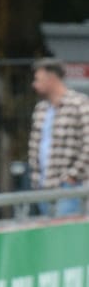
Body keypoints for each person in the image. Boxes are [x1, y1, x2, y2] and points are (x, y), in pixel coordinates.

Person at [28, 58, 89, 217]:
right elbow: (35, 147)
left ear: (52, 78)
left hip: (69, 187)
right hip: (43, 186)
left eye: (38, 79)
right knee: (49, 237)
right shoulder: (41, 109)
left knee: (65, 236)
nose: (34, 84)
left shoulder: (79, 104)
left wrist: (72, 176)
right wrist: (35, 179)